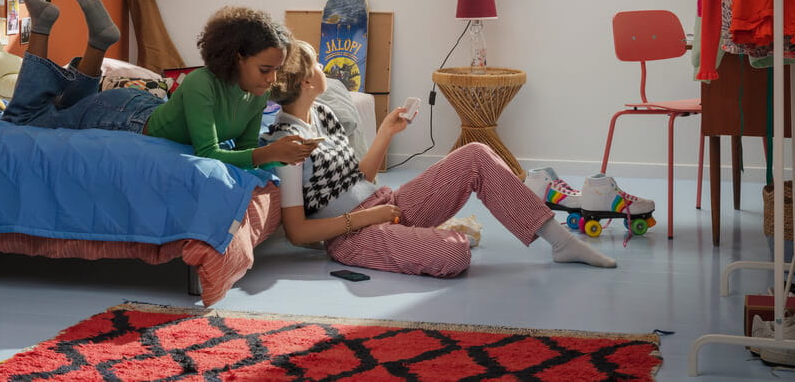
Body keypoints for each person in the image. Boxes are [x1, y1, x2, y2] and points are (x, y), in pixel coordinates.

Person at [264, 40, 617, 277]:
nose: (323, 66)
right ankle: (422, 241)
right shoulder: (286, 144)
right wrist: (369, 217)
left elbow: (358, 180)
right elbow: (297, 232)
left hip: (386, 204)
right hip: (354, 236)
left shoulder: (323, 113)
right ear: (307, 81)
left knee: (475, 154)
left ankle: (562, 243)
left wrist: (385, 133)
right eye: (317, 63)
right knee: (454, 253)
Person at [0, 0, 317, 169]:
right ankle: (43, 27)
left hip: (142, 106)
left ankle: (95, 40)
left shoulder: (257, 95)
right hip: (123, 117)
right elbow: (209, 153)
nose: (272, 79)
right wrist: (270, 153)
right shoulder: (202, 83)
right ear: (237, 58)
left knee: (65, 108)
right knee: (22, 120)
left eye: (277, 69)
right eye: (265, 69)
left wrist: (282, 156)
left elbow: (243, 152)